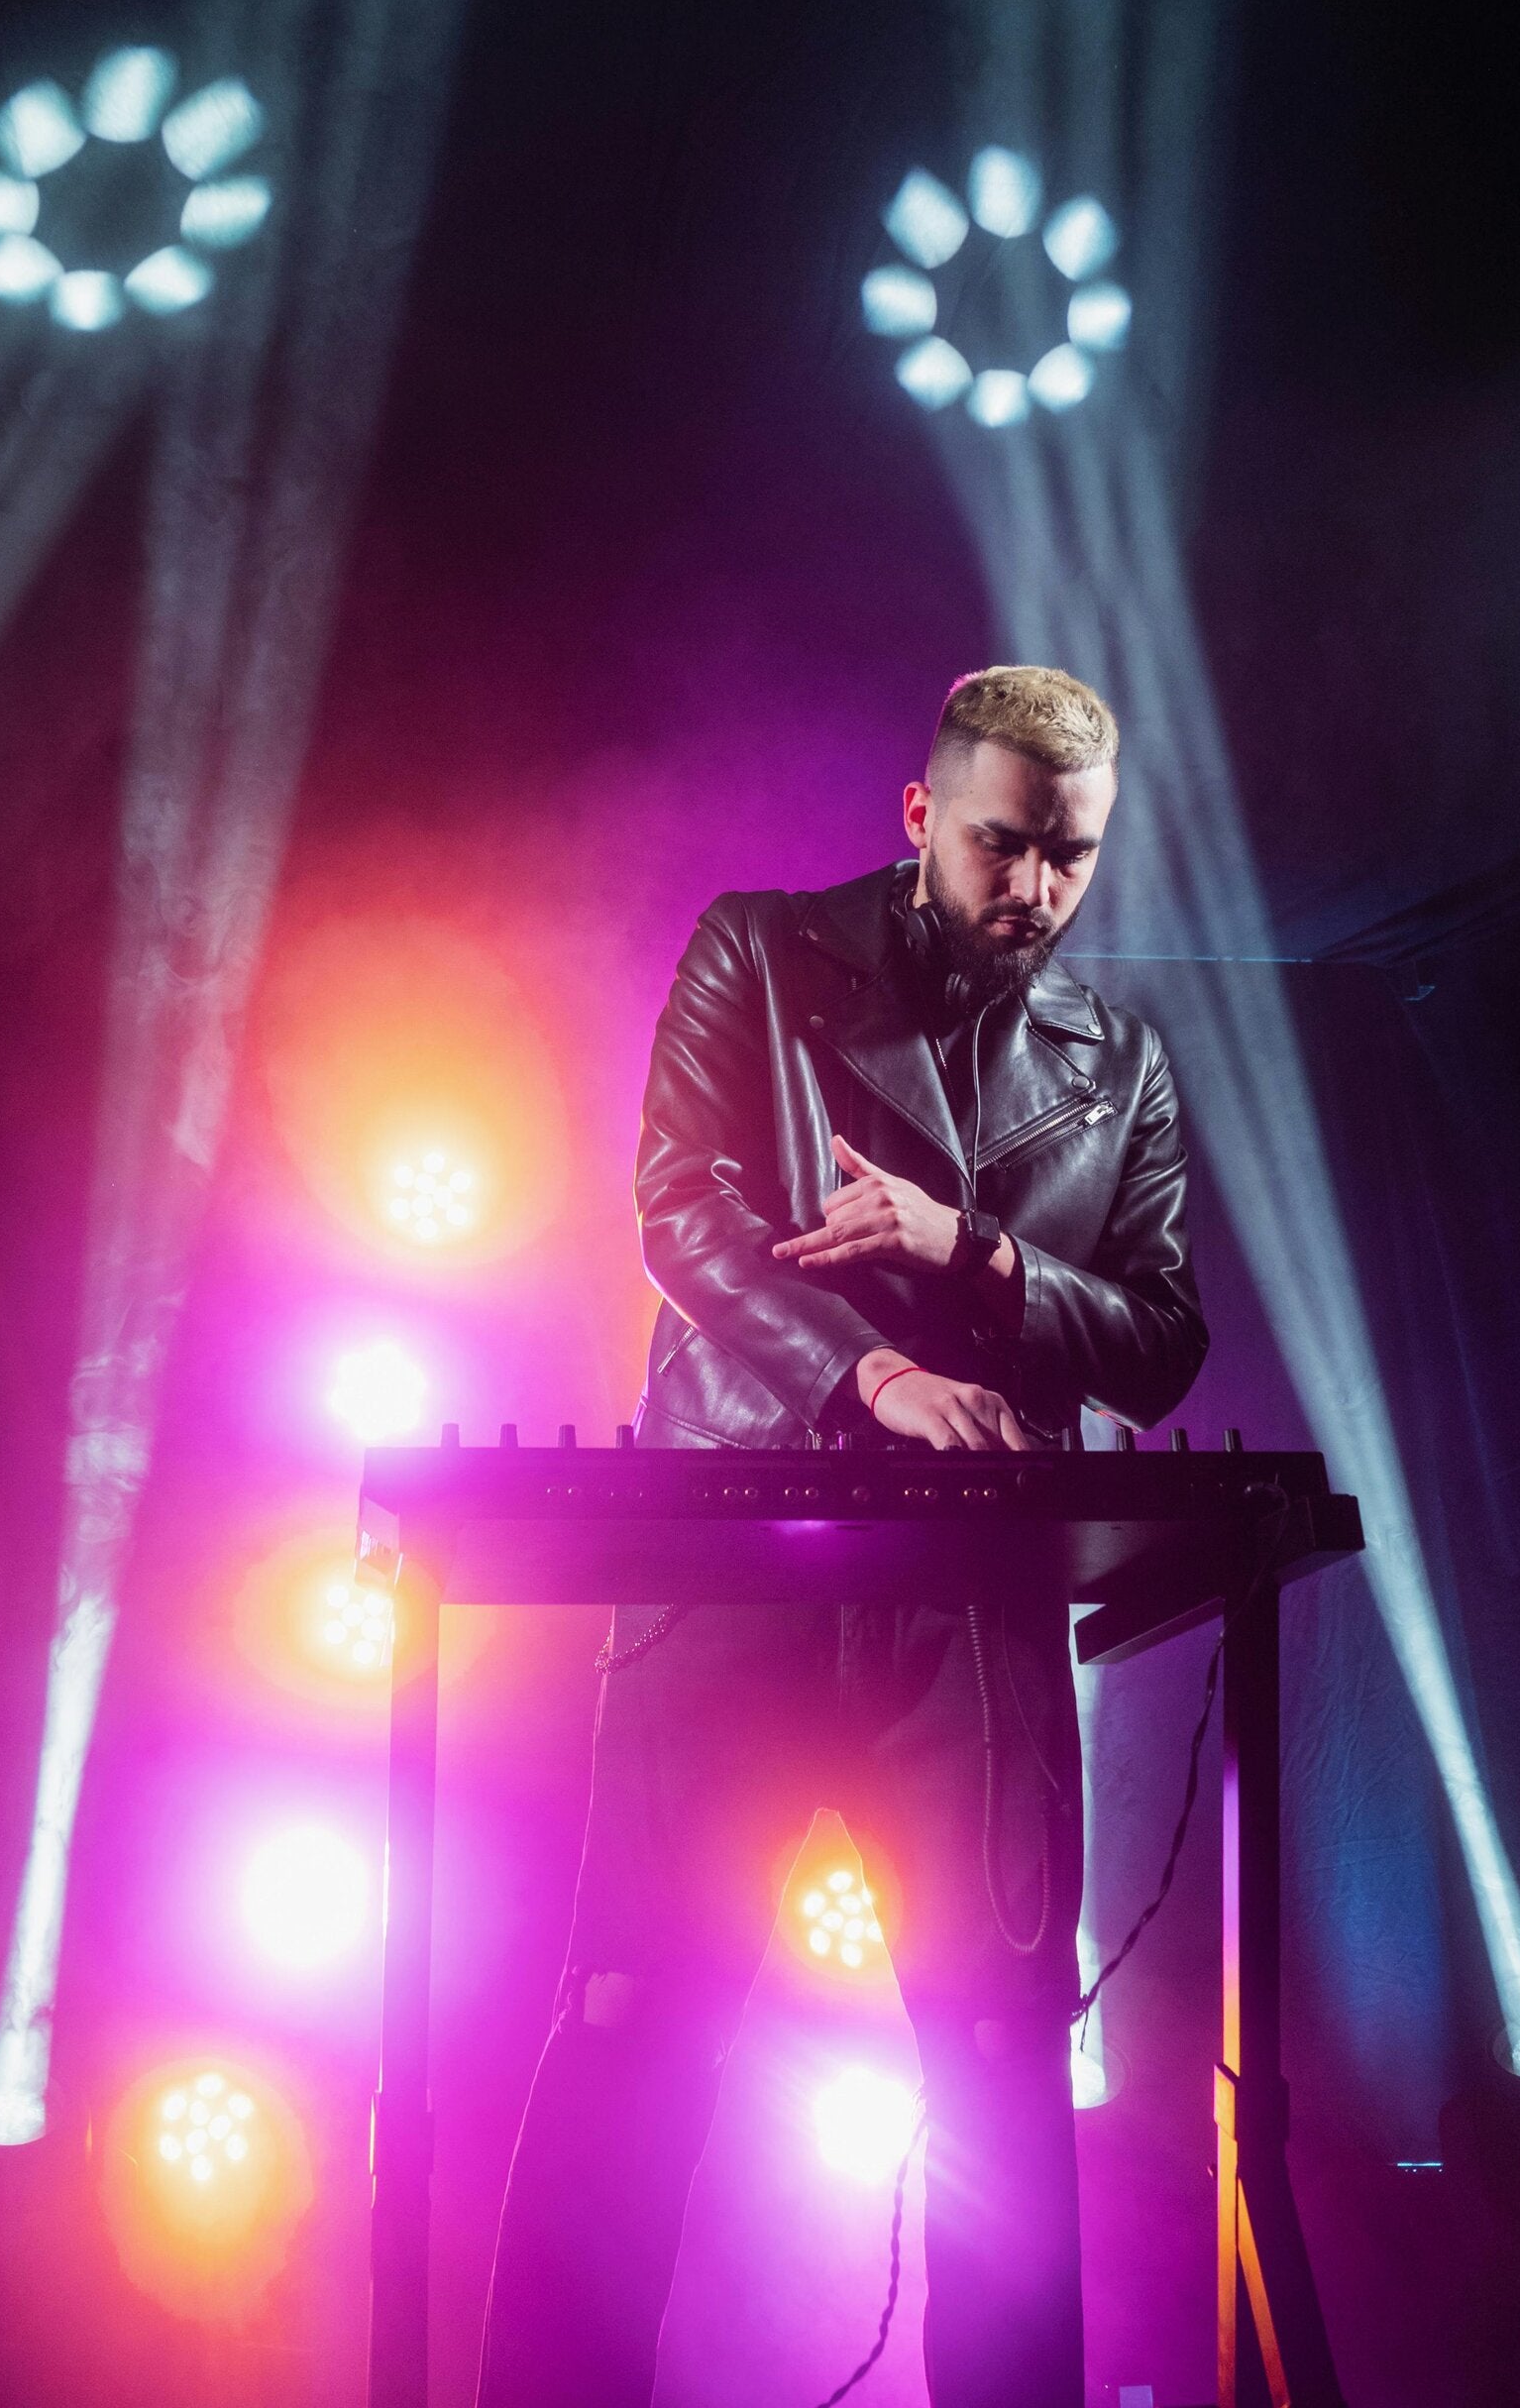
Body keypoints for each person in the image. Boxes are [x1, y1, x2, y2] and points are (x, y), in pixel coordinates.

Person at [476, 665, 1208, 2407]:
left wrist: (976, 1252)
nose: (1035, 887)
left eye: (1072, 856)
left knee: (1000, 2067)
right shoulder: (758, 950)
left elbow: (1163, 1343)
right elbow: (680, 1211)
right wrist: (875, 1375)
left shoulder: (1119, 1066)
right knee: (632, 2027)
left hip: (972, 1617)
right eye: (1002, 843)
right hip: (737, 1578)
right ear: (921, 813)